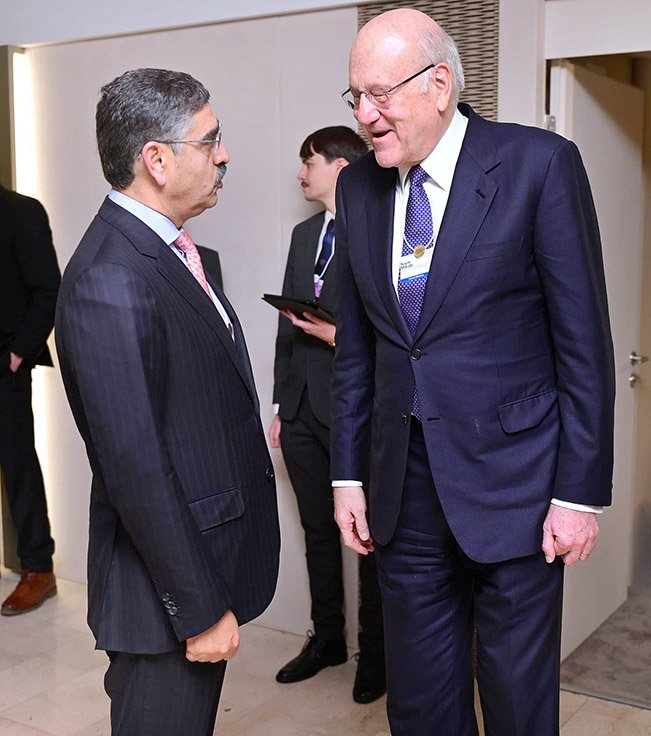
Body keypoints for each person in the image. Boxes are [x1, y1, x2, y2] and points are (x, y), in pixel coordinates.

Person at [331, 9, 615, 736]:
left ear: (440, 84)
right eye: (354, 97)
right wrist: (348, 476)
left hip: (518, 487)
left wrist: (577, 493)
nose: (366, 115)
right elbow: (359, 349)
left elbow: (582, 345)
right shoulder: (359, 189)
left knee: (518, 704)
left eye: (379, 94)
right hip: (402, 492)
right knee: (421, 704)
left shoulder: (538, 165)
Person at [55, 68, 280, 736]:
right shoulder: (110, 279)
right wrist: (201, 607)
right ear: (156, 159)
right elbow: (135, 467)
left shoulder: (174, 251)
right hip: (165, 603)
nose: (225, 154)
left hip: (194, 575)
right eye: (210, 140)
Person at [269, 126, 385, 703]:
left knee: (370, 538)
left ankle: (377, 653)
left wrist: (340, 335)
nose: (300, 174)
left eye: (308, 162)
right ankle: (328, 639)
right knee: (318, 530)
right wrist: (280, 405)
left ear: (340, 167)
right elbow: (285, 329)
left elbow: (396, 330)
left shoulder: (381, 228)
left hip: (357, 408)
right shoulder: (302, 234)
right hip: (303, 410)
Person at [0, 184, 60, 615]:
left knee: (18, 465)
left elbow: (47, 288)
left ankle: (39, 569)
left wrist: (18, 354)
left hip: (5, 366)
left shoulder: (21, 212)